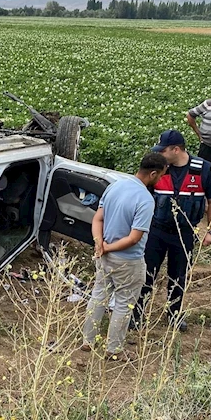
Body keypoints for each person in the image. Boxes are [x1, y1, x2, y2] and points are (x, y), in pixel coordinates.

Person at [82, 152, 168, 359]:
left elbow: (97, 219)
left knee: (99, 295)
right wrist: (108, 248)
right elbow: (133, 238)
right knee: (123, 303)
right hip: (128, 260)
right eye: (161, 175)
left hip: (104, 256)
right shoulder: (146, 200)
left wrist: (99, 244)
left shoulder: (115, 186)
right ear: (153, 173)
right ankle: (114, 349)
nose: (161, 180)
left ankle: (88, 340)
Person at [133, 129, 211, 331]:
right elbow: (140, 195)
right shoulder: (157, 168)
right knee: (146, 273)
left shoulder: (204, 169)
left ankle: (174, 315)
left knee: (178, 276)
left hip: (185, 232)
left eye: (163, 151)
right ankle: (136, 314)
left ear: (176, 149)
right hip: (156, 230)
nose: (159, 155)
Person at [187, 98, 211, 168]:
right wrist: (198, 133)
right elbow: (190, 115)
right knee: (203, 172)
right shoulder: (209, 104)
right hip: (207, 147)